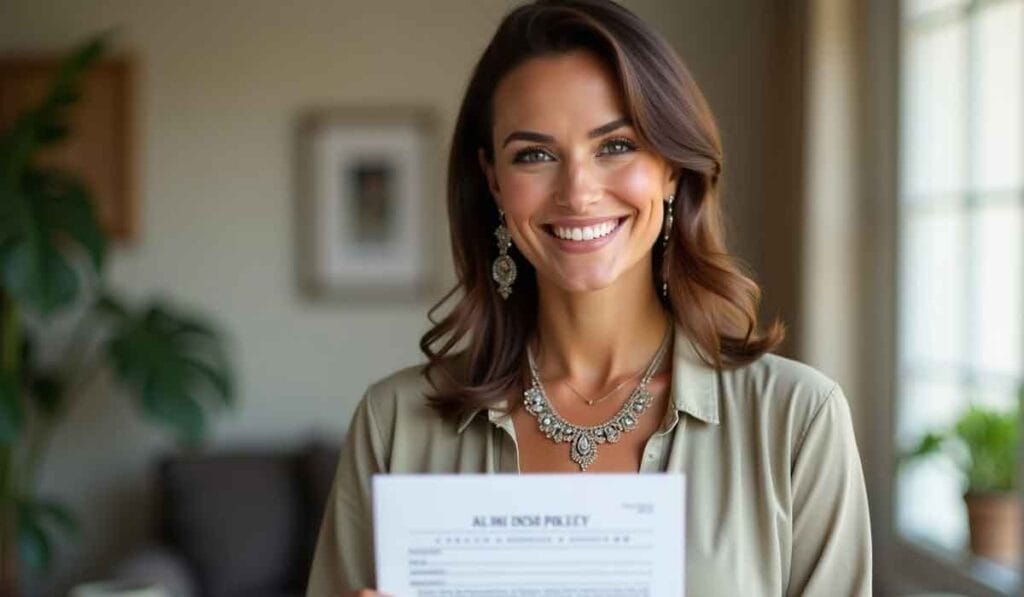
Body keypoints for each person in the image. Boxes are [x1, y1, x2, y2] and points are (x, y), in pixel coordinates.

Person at [306, 0, 872, 595]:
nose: (578, 192)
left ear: (672, 168)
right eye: (535, 155)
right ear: (494, 179)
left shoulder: (796, 421)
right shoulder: (394, 423)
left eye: (616, 145)